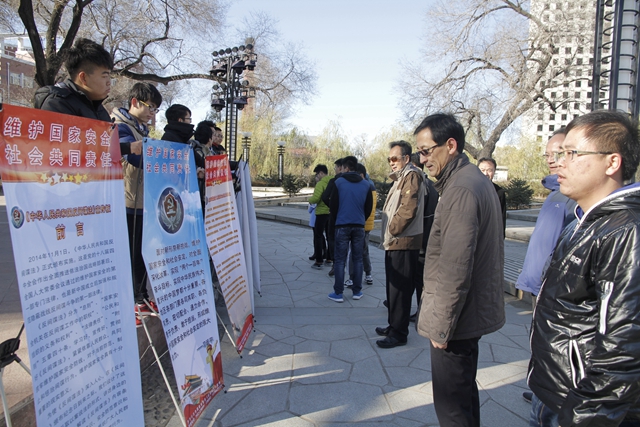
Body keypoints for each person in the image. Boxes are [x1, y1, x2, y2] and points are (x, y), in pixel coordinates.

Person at [528, 110, 640, 427]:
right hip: (556, 393)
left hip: (581, 407)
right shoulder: (583, 220)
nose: (559, 163)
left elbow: (624, 347)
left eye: (572, 153)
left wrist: (583, 416)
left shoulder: (625, 231)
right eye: (560, 154)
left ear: (612, 162)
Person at [415, 113, 505, 427]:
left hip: (456, 322)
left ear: (450, 145)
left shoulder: (461, 189)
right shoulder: (471, 180)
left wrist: (441, 327)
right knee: (463, 398)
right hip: (466, 316)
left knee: (452, 408)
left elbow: (455, 266)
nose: (423, 159)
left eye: (426, 151)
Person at [518, 129, 577, 404]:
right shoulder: (555, 193)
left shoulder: (572, 195)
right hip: (537, 284)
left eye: (558, 153)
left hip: (553, 288)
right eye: (548, 154)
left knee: (554, 347)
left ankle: (551, 394)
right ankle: (541, 387)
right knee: (539, 342)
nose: (551, 159)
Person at [111, 83, 163, 325]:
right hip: (127, 201)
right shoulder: (120, 126)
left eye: (155, 109)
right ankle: (130, 302)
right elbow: (132, 157)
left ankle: (141, 297)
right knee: (130, 255)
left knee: (141, 254)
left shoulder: (142, 129)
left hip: (143, 202)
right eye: (150, 106)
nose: (152, 112)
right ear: (134, 102)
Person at [376, 141, 425, 348]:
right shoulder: (401, 177)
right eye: (389, 159)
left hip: (404, 241)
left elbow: (408, 208)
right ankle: (393, 325)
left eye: (395, 158)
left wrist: (393, 229)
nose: (392, 162)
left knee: (401, 290)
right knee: (393, 288)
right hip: (396, 242)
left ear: (406, 158)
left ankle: (399, 333)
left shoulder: (412, 175)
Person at [326, 156, 373, 303]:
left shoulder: (339, 183)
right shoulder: (366, 185)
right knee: (357, 259)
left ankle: (338, 293)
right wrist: (361, 219)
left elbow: (333, 205)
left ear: (346, 168)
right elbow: (368, 207)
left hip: (342, 224)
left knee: (340, 260)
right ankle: (357, 291)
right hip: (359, 225)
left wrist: (338, 219)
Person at [34, 38, 113, 122]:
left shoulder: (98, 108)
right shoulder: (56, 103)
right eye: (104, 76)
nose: (109, 82)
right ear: (83, 77)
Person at [409, 153, 438, 322]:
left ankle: (421, 311)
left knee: (418, 277)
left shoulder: (419, 185)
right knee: (420, 277)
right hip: (428, 237)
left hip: (419, 239)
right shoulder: (431, 185)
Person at [344, 163, 377, 286]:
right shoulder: (370, 185)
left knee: (354, 252)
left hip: (360, 224)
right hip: (365, 224)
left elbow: (366, 208)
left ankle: (353, 278)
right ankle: (368, 274)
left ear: (361, 175)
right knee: (364, 250)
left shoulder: (365, 187)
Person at [322, 158, 345, 275]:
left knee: (332, 238)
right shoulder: (353, 181)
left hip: (335, 215)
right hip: (347, 215)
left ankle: (336, 264)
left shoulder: (334, 181)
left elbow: (325, 197)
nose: (335, 170)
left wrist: (332, 206)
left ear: (340, 167)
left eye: (335, 167)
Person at [308, 164, 331, 269]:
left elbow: (316, 198)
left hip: (321, 212)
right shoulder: (333, 181)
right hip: (330, 212)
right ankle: (329, 258)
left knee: (318, 236)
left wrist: (310, 200)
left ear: (321, 173)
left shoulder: (320, 184)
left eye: (317, 174)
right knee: (329, 236)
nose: (317, 176)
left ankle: (319, 260)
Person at [478, 157, 507, 236]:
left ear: (494, 172)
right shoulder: (471, 189)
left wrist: (501, 237)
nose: (485, 173)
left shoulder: (499, 192)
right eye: (482, 170)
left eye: (489, 170)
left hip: (491, 234)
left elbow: (501, 217)